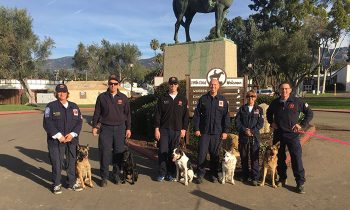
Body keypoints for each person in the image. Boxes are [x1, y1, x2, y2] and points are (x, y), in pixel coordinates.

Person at [266, 82, 313, 194]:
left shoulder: (297, 102)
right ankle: (282, 179)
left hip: (292, 135)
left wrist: (301, 124)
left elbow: (309, 113)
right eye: (282, 89)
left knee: (296, 158)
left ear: (290, 90)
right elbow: (268, 113)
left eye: (286, 89)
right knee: (280, 158)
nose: (284, 91)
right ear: (279, 90)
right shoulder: (275, 102)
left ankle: (300, 183)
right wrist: (271, 123)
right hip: (279, 135)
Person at [92, 75, 131, 187]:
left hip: (120, 129)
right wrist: (94, 126)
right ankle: (104, 177)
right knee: (104, 153)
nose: (113, 85)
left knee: (118, 153)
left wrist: (128, 128)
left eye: (115, 83)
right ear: (108, 84)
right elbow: (97, 113)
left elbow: (128, 115)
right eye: (111, 83)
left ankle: (116, 175)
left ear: (118, 84)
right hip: (106, 129)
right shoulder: (102, 97)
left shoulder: (123, 97)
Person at [43, 84, 83, 194]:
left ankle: (71, 182)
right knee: (57, 162)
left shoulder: (74, 106)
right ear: (56, 93)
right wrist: (58, 135)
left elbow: (79, 122)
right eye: (59, 92)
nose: (62, 94)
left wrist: (73, 134)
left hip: (71, 140)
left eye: (64, 92)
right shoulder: (50, 106)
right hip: (56, 141)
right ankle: (56, 184)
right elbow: (47, 123)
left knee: (71, 162)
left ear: (67, 93)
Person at [193, 78, 231, 184]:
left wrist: (225, 131)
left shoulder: (223, 100)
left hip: (217, 133)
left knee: (215, 155)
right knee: (201, 154)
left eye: (215, 85)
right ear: (209, 86)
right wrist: (196, 129)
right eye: (211, 84)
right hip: (204, 132)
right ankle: (200, 174)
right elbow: (197, 116)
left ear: (218, 86)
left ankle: (213, 174)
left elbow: (226, 118)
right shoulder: (203, 99)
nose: (213, 86)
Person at [154, 77, 189, 182]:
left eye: (175, 84)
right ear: (168, 85)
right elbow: (157, 115)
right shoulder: (163, 98)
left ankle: (171, 173)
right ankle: (162, 173)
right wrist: (156, 129)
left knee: (173, 153)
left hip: (177, 130)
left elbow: (186, 116)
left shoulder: (183, 99)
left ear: (178, 85)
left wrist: (184, 129)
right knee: (163, 151)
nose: (173, 86)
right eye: (171, 84)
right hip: (164, 130)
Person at [235, 90, 264, 186]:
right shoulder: (242, 109)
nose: (251, 98)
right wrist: (245, 130)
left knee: (254, 157)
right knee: (244, 156)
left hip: (254, 137)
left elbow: (260, 123)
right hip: (243, 137)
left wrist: (252, 131)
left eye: (253, 97)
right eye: (249, 97)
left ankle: (255, 177)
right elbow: (237, 122)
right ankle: (245, 175)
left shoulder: (259, 109)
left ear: (255, 98)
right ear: (246, 98)